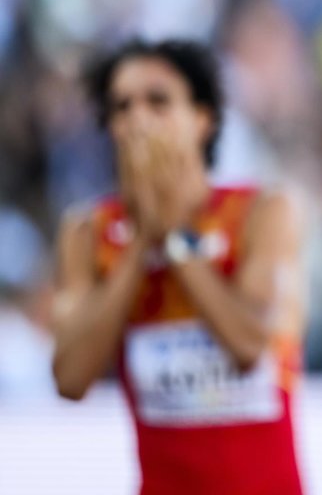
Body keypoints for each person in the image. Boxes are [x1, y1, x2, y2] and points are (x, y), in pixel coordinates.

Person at [51, 40, 306, 495]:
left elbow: (249, 345)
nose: (138, 120)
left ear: (202, 119)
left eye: (158, 101)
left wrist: (174, 234)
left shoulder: (261, 212)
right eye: (122, 106)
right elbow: (70, 380)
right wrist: (141, 244)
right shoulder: (89, 232)